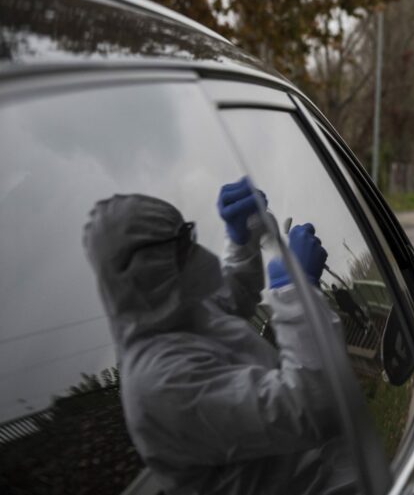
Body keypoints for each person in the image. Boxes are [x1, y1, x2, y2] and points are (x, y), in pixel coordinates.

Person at [82, 181, 355, 495]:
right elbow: (310, 408)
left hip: (329, 471)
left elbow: (229, 300)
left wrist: (242, 239)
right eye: (183, 243)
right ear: (146, 268)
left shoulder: (176, 312)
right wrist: (295, 290)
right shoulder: (160, 383)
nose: (196, 252)